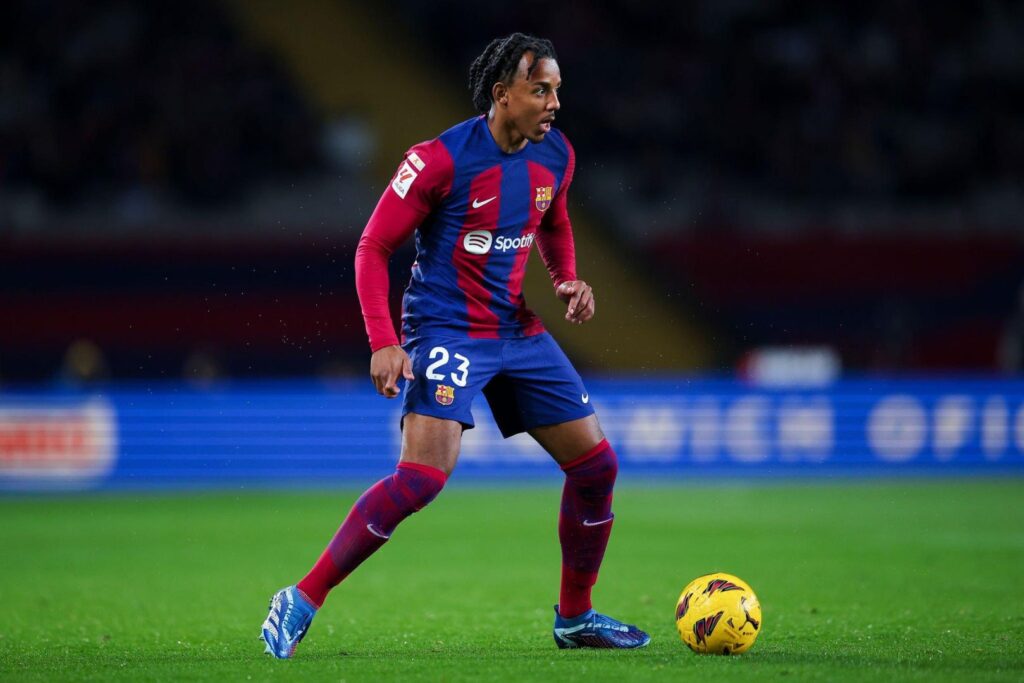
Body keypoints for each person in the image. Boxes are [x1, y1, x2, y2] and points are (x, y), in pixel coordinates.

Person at [261, 32, 649, 658]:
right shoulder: (438, 159)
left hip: (517, 330)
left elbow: (551, 219)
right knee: (420, 480)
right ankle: (301, 598)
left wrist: (565, 277)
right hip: (447, 331)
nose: (554, 103)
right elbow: (373, 247)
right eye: (540, 89)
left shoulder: (557, 156)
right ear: (502, 94)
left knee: (597, 467)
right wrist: (384, 341)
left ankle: (574, 618)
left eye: (557, 90)